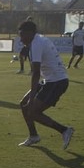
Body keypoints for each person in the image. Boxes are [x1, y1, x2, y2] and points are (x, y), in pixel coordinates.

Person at [17, 19, 75, 151]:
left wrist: (32, 98)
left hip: (56, 81)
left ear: (30, 33)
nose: (21, 39)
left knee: (32, 111)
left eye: (22, 35)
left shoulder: (37, 43)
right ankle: (33, 136)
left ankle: (65, 130)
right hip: (49, 80)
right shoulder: (38, 40)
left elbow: (36, 72)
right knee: (23, 104)